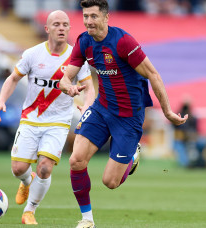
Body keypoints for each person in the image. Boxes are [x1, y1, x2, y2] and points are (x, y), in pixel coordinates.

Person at [59, 1, 188, 227]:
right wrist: (67, 87)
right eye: (86, 16)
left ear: (106, 18)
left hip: (128, 118)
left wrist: (167, 111)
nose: (88, 21)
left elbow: (153, 75)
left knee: (110, 182)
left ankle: (132, 156)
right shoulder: (83, 41)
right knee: (76, 160)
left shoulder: (122, 42)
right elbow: (65, 78)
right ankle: (87, 220)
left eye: (93, 16)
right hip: (102, 109)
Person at [0, 10, 95, 225]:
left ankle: (30, 211)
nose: (61, 28)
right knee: (18, 169)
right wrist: (1, 100)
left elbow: (90, 88)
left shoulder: (77, 58)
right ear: (47, 29)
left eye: (65, 24)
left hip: (58, 122)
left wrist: (87, 105)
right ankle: (26, 180)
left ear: (69, 29)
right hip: (30, 118)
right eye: (56, 24)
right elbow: (13, 78)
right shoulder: (32, 54)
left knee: (45, 167)